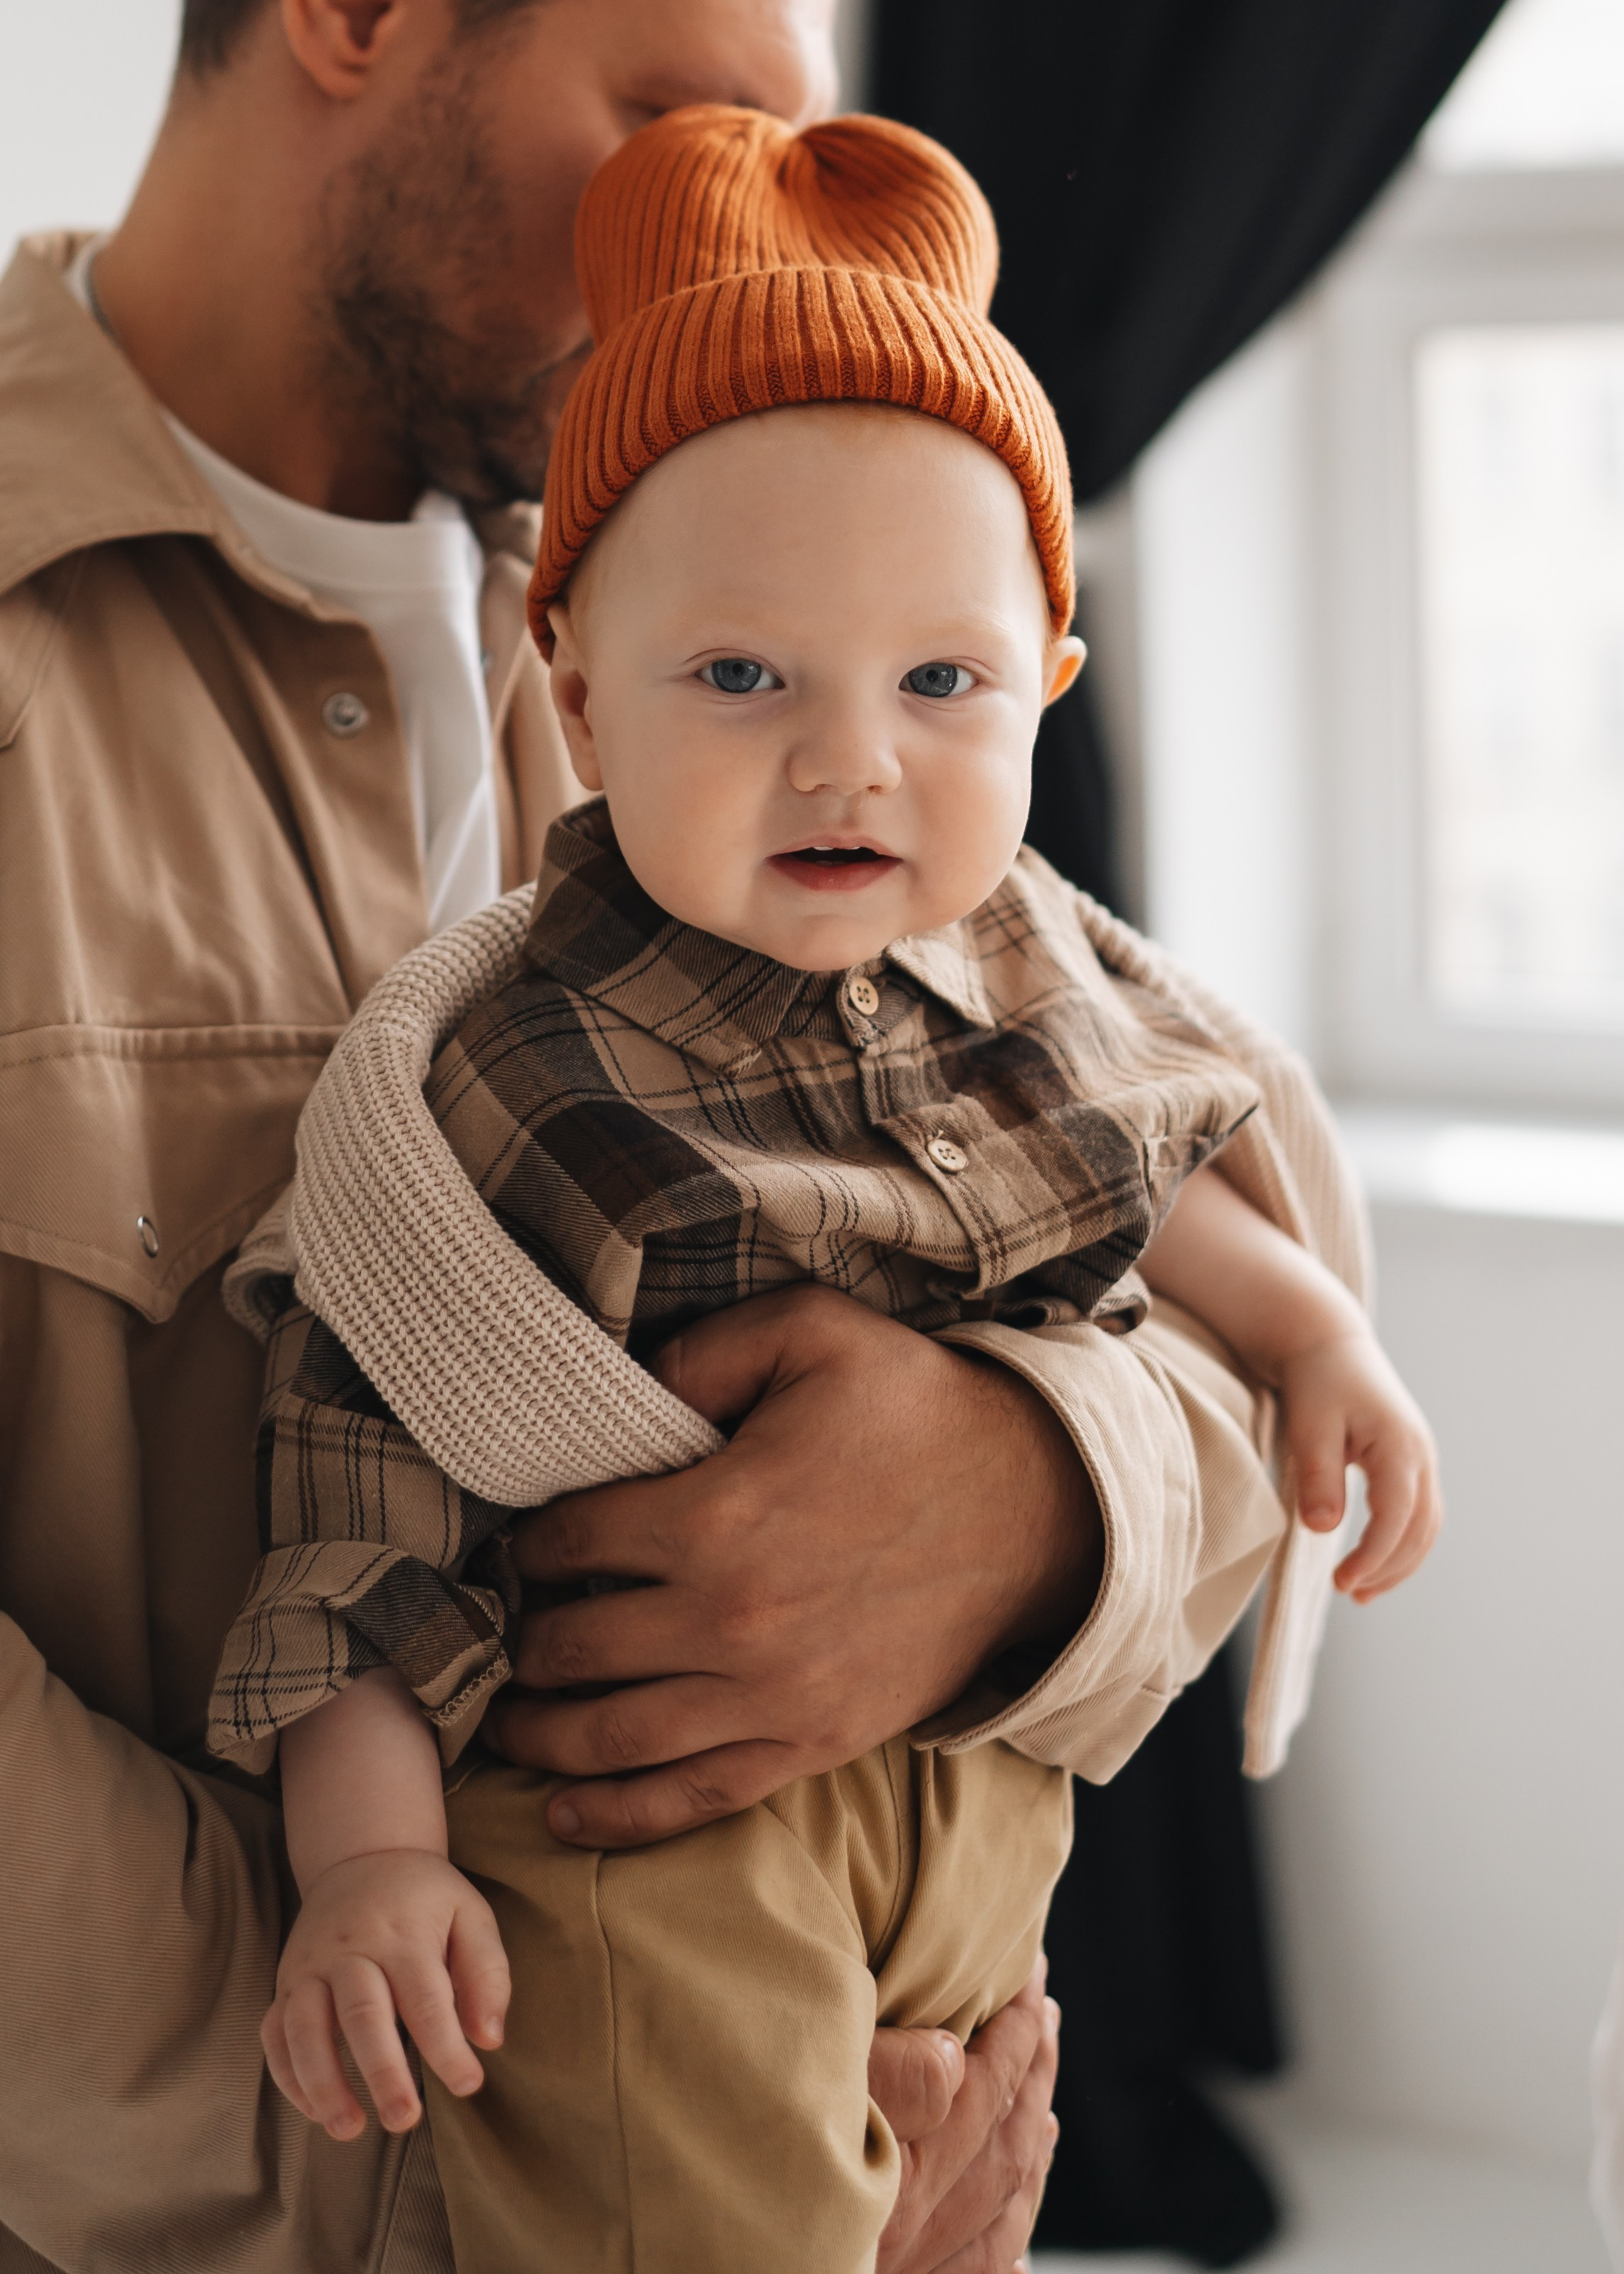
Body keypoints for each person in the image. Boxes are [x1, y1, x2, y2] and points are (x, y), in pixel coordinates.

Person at [202, 106, 1441, 2274]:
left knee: (947, 2201)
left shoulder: (1023, 966)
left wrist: (1316, 1331)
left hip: (979, 1811)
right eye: (742, 676)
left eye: (941, 682)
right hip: (650, 1849)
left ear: (1048, 689)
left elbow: (1138, 1173)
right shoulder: (515, 1061)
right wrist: (372, 1861)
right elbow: (361, 1468)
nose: (849, 755)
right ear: (581, 695)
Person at [0, 4, 1072, 2268]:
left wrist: (1037, 1490)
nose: (749, 252)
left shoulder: (792, 607)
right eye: (677, 125)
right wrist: (601, 2157)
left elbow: (1229, 1229)